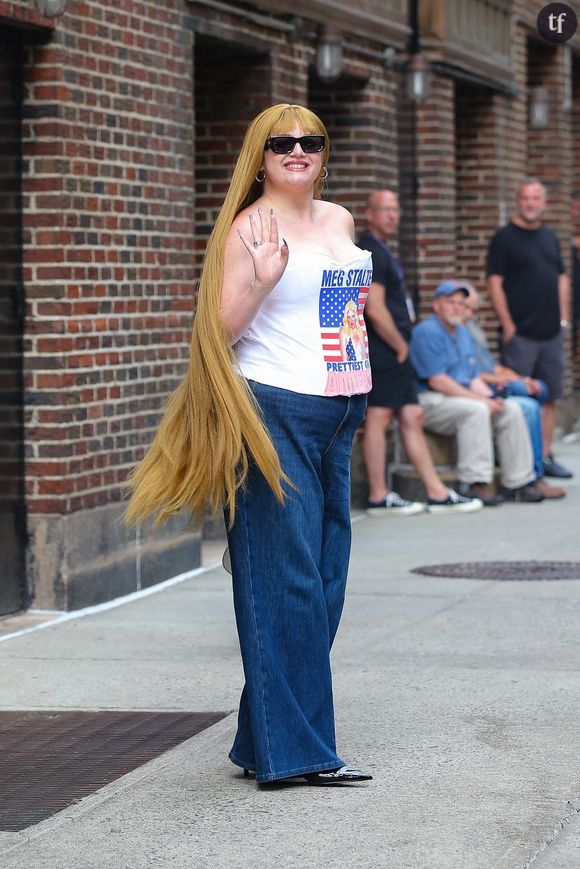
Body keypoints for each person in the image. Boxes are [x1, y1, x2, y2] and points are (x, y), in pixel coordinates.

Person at [124, 104, 372, 786]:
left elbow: (344, 314)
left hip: (340, 409)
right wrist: (261, 280)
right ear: (259, 157)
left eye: (310, 140)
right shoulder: (248, 227)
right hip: (273, 409)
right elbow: (219, 329)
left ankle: (260, 736)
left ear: (325, 150)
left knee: (324, 579)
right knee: (285, 577)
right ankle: (297, 752)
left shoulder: (339, 220)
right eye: (281, 142)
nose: (297, 150)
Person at [358, 190, 482, 516]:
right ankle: (378, 495)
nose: (391, 215)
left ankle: (437, 492)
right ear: (369, 214)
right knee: (379, 417)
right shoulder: (371, 250)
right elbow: (374, 307)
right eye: (384, 210)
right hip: (385, 350)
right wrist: (400, 345)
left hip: (396, 350)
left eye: (395, 209)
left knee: (413, 415)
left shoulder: (385, 251)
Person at [409, 281, 544, 506]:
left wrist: (492, 399)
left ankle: (518, 483)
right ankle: (475, 483)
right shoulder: (427, 331)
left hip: (459, 397)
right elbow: (438, 381)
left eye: (461, 303)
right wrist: (482, 400)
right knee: (477, 409)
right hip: (430, 400)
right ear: (436, 305)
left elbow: (472, 378)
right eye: (450, 302)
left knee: (510, 409)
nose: (456, 308)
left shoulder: (462, 332)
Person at [487, 178, 573, 479]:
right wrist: (508, 324)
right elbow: (494, 283)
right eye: (526, 198)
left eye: (536, 198)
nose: (531, 203)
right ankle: (521, 461)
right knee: (521, 397)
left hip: (551, 333)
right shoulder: (504, 238)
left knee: (550, 396)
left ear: (543, 202)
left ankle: (545, 456)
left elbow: (561, 277)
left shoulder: (550, 237)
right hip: (520, 334)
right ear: (518, 201)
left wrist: (562, 319)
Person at [462, 286, 565, 499]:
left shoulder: (472, 331)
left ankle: (533, 468)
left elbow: (493, 366)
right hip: (480, 390)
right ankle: (534, 475)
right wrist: (501, 382)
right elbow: (470, 375)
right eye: (466, 308)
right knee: (529, 407)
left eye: (473, 310)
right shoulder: (453, 334)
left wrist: (522, 379)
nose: (470, 314)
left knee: (539, 389)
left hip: (490, 386)